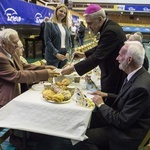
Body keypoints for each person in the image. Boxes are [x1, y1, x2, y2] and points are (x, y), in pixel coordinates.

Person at [74, 41, 150, 150]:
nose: (117, 58)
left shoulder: (140, 88)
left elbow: (122, 121)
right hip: (130, 124)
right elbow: (127, 99)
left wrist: (101, 104)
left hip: (129, 135)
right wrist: (106, 95)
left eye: (120, 55)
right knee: (92, 120)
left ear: (129, 60)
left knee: (85, 137)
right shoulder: (139, 75)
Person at [61, 4, 126, 99]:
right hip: (111, 70)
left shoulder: (110, 31)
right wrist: (84, 54)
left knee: (109, 100)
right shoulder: (108, 27)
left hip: (114, 74)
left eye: (90, 23)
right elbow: (101, 47)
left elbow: (98, 56)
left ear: (100, 19)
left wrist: (73, 68)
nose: (88, 27)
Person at [0, 28, 58, 108]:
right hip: (6, 99)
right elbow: (17, 76)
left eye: (17, 41)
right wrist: (45, 73)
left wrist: (44, 67)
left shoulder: (11, 51)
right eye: (14, 43)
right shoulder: (1, 58)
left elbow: (24, 66)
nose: (17, 45)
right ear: (3, 43)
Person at [44, 4, 71, 68]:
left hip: (64, 54)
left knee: (63, 74)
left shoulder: (66, 26)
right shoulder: (49, 24)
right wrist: (56, 53)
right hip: (53, 54)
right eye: (61, 11)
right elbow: (47, 41)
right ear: (56, 11)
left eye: (65, 13)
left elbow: (69, 41)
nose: (63, 14)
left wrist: (68, 52)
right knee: (53, 75)